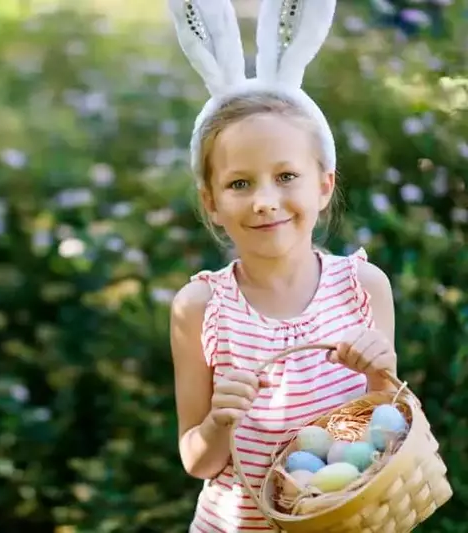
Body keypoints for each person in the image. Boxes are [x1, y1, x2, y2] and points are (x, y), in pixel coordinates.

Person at [166, 1, 399, 531]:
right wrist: (220, 422)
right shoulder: (200, 308)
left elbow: (385, 430)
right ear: (212, 204)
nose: (265, 201)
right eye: (240, 184)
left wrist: (381, 377)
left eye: (286, 176)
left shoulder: (363, 288)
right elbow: (197, 461)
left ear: (324, 183)